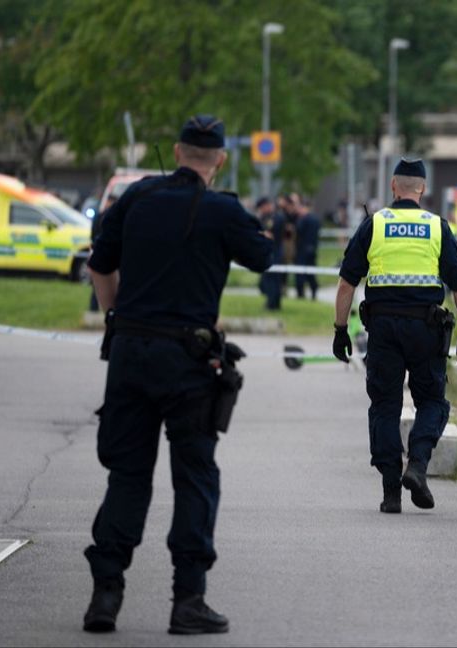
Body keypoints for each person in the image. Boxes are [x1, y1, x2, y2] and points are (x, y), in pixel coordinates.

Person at [83, 115, 273, 635]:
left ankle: (106, 595)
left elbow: (100, 264)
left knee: (127, 475)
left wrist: (116, 316)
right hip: (187, 362)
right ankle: (188, 601)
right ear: (221, 159)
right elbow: (264, 257)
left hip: (130, 352)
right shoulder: (222, 210)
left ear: (176, 150)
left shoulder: (138, 198)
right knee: (194, 477)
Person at [332, 158, 457, 514]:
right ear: (422, 189)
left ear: (393, 186)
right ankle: (418, 465)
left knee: (385, 405)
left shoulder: (375, 224)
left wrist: (339, 330)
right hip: (426, 330)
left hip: (382, 330)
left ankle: (390, 493)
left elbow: (347, 284)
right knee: (432, 402)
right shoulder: (436, 227)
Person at [88, 192, 119, 312]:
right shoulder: (113, 217)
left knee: (97, 284)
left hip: (97, 250)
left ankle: (94, 308)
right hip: (109, 253)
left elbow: (92, 235)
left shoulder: (99, 216)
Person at [255, 196, 286, 310]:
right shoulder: (267, 217)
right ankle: (274, 303)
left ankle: (272, 304)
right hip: (271, 251)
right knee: (270, 279)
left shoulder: (275, 218)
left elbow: (268, 234)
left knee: (271, 279)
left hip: (274, 252)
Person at [293, 196, 321, 300]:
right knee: (311, 273)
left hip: (302, 250)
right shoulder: (315, 219)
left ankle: (300, 294)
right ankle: (314, 290)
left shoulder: (303, 220)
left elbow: (298, 231)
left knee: (300, 273)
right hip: (312, 249)